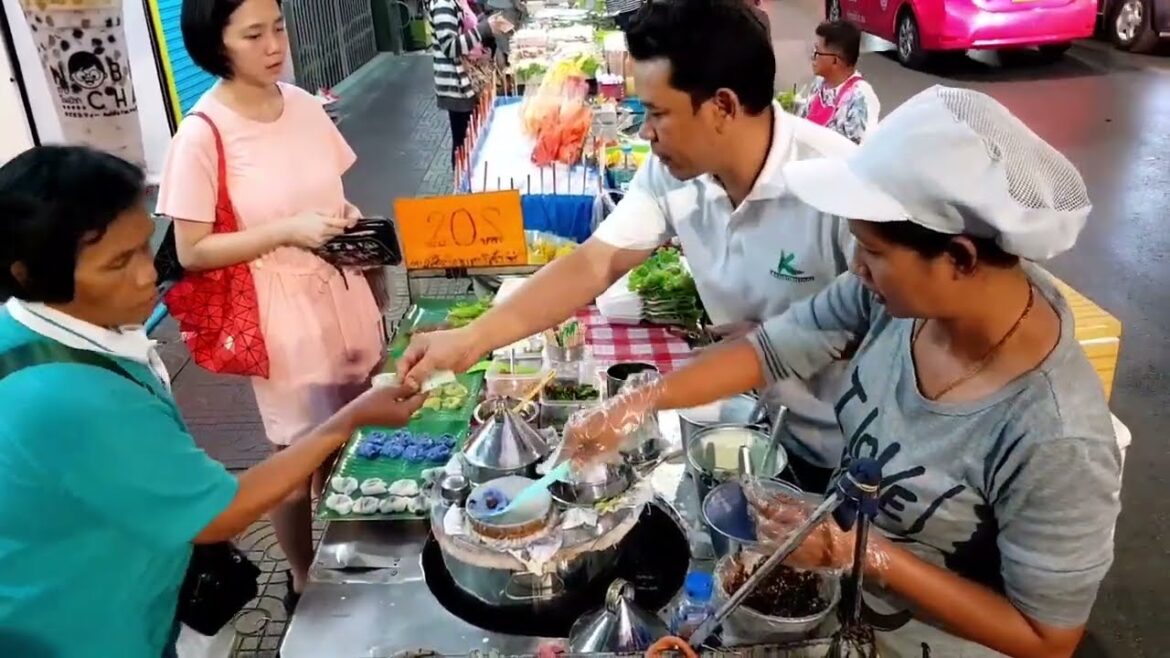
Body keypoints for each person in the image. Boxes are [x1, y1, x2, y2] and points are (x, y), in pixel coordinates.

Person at [565, 86, 1121, 657]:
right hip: (842, 616)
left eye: (873, 252)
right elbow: (771, 350)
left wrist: (861, 552)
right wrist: (637, 403)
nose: (856, 267)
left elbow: (1048, 638)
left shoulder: (1056, 435)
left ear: (959, 258)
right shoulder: (894, 302)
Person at [399, 0, 859, 492]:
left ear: (723, 106)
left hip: (844, 451)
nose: (644, 131)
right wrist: (472, 340)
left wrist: (774, 338)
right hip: (752, 424)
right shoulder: (673, 172)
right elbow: (596, 263)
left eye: (658, 113)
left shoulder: (838, 183)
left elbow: (896, 326)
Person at [0, 146, 425, 658]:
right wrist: (348, 420)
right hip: (87, 630)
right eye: (116, 264)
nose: (146, 276)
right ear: (28, 273)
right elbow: (219, 512)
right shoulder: (69, 397)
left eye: (142, 249)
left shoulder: (33, 334)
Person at [157, 0, 386, 613]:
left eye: (278, 27)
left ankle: (358, 545)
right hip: (280, 310)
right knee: (296, 454)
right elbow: (192, 249)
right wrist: (286, 231)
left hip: (345, 288)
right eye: (253, 34)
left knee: (357, 428)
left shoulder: (307, 105)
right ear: (216, 44)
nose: (273, 44)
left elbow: (333, 196)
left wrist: (353, 230)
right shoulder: (202, 134)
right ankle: (304, 576)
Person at [428, 0, 513, 165]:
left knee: (473, 140)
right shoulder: (443, 5)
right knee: (463, 144)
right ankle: (463, 187)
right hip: (457, 86)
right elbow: (450, 47)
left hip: (466, 82)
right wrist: (485, 28)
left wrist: (489, 22)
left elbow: (467, 28)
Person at [798, 20, 880, 144]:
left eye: (817, 52)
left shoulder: (860, 99)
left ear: (835, 61)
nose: (812, 57)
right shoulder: (819, 84)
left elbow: (859, 153)